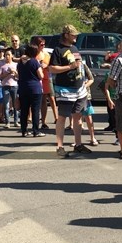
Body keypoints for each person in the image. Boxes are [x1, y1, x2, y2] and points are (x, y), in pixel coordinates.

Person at [49, 24, 92, 157]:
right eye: (73, 35)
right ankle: (60, 146)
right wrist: (70, 66)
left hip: (79, 88)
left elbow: (79, 65)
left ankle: (78, 144)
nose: (75, 37)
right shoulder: (58, 50)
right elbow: (52, 68)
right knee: (62, 117)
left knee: (78, 116)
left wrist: (84, 79)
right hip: (65, 89)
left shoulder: (74, 48)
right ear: (66, 35)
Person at [17, 43, 44, 137]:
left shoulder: (20, 62)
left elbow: (18, 74)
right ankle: (36, 131)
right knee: (35, 110)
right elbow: (41, 76)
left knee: (24, 110)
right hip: (35, 88)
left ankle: (24, 130)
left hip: (23, 88)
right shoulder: (34, 62)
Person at [30, 36, 57, 129]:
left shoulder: (46, 54)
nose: (43, 46)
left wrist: (46, 66)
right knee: (37, 101)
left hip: (46, 79)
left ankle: (44, 122)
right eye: (41, 44)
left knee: (46, 99)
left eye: (44, 44)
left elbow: (52, 66)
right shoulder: (33, 55)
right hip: (36, 79)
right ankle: (34, 120)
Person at [0, 48, 19, 129]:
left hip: (14, 85)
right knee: (6, 105)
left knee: (15, 105)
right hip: (5, 86)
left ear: (12, 56)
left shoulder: (15, 65)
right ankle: (7, 122)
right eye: (6, 55)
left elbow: (19, 76)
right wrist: (8, 73)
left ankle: (16, 121)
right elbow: (0, 77)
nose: (7, 56)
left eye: (8, 55)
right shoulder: (2, 65)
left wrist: (15, 73)